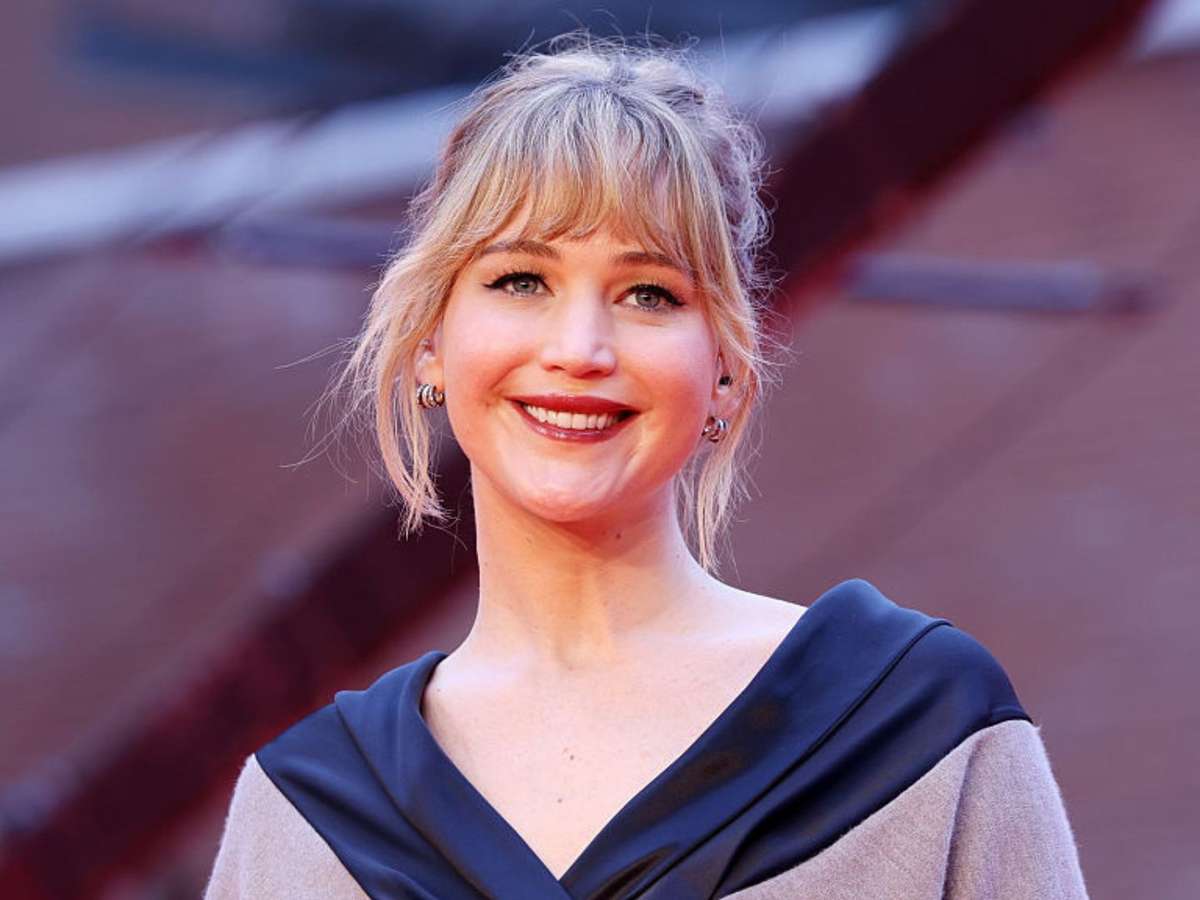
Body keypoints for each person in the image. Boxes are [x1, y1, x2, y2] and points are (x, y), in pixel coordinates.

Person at [203, 33, 1090, 899]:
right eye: (521, 281)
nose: (579, 349)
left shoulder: (920, 731)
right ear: (431, 339)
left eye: (648, 294)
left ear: (727, 369)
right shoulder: (304, 817)